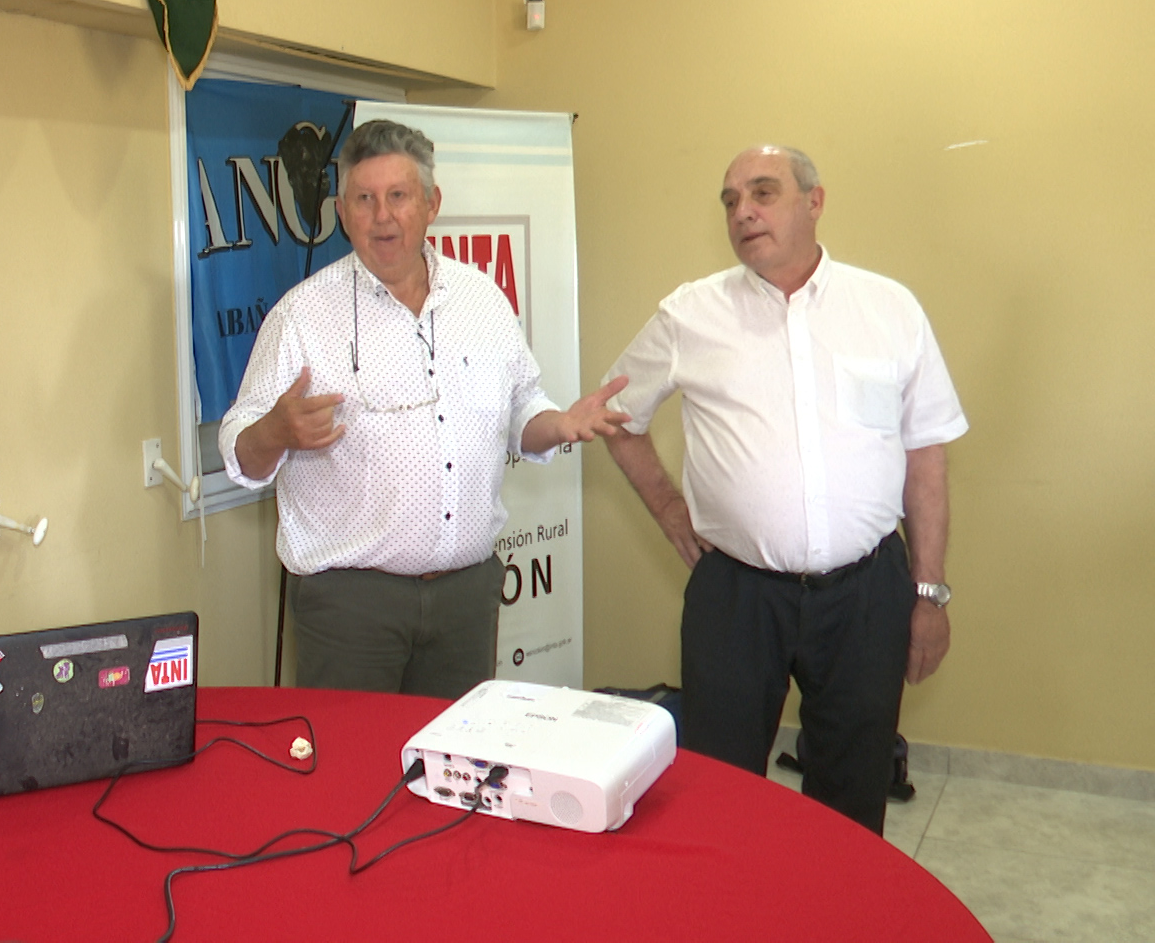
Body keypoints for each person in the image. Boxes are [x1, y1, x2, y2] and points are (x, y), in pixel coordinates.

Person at [603, 145, 966, 834]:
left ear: (814, 201)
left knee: (852, 792)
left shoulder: (887, 308)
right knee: (720, 791)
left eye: (763, 193)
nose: (743, 212)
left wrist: (929, 594)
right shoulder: (690, 315)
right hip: (736, 597)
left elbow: (926, 458)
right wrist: (672, 511)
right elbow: (614, 417)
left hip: (866, 593)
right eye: (730, 201)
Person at [218, 119, 626, 698]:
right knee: (354, 755)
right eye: (364, 199)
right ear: (342, 213)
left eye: (398, 196)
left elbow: (521, 409)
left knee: (453, 752)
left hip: (467, 598)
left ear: (432, 204)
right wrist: (274, 432)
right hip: (351, 606)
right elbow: (240, 451)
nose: (382, 216)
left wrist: (558, 424)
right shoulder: (301, 317)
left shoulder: (483, 300)